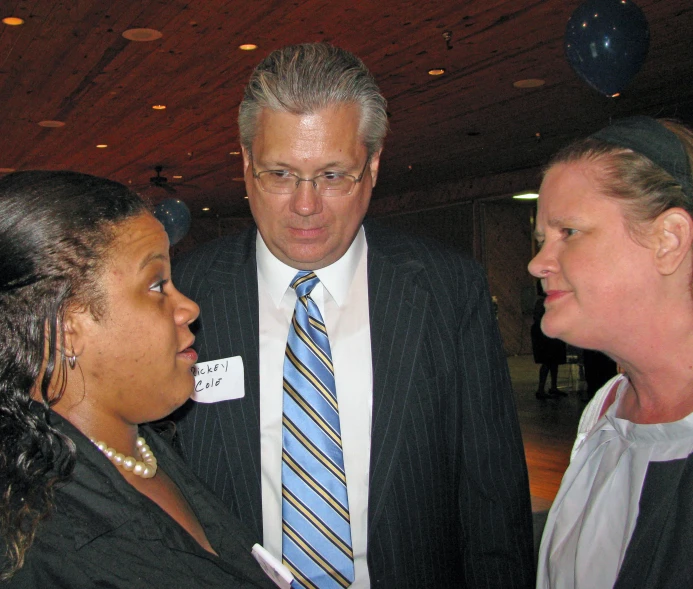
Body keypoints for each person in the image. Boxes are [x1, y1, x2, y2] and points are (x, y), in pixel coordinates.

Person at [172, 42, 534, 588]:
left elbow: (493, 503)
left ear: (373, 166)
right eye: (280, 174)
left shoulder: (446, 290)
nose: (305, 205)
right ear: (246, 165)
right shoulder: (186, 295)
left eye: (333, 175)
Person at [0, 171, 274, 588]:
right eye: (157, 284)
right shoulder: (48, 548)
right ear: (63, 328)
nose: (188, 308)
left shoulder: (149, 447)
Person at [529, 116, 693, 588]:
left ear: (669, 240)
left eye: (569, 233)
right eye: (543, 240)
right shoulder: (606, 411)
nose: (537, 262)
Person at [531, 284, 567, 399]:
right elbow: (539, 319)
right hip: (545, 336)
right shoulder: (541, 302)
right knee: (547, 362)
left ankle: (553, 387)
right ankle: (541, 389)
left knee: (554, 362)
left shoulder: (548, 301)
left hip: (552, 334)